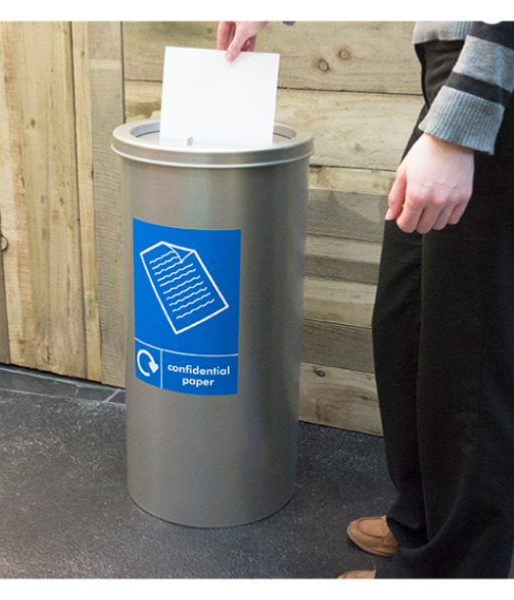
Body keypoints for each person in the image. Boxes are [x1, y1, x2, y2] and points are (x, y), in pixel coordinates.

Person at [218, 21, 514, 578]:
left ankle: (450, 572)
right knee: (405, 323)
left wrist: (458, 131)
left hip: (492, 82)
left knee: (466, 359)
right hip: (452, 78)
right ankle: (425, 525)